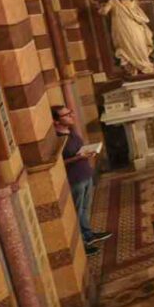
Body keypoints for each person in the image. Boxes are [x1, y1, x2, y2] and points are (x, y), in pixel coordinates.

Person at [52, 106, 111, 255]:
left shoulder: (71, 132)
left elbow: (78, 150)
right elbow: (58, 163)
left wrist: (87, 152)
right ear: (56, 121)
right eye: (66, 115)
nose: (71, 116)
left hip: (85, 174)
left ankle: (88, 234)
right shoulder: (57, 138)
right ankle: (83, 244)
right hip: (75, 178)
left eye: (70, 112)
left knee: (85, 208)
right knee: (77, 211)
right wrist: (78, 158)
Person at [96, 0, 154, 75]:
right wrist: (102, 10)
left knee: (140, 44)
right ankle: (133, 67)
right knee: (127, 48)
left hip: (135, 26)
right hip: (122, 29)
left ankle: (145, 64)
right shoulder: (114, 1)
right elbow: (105, 11)